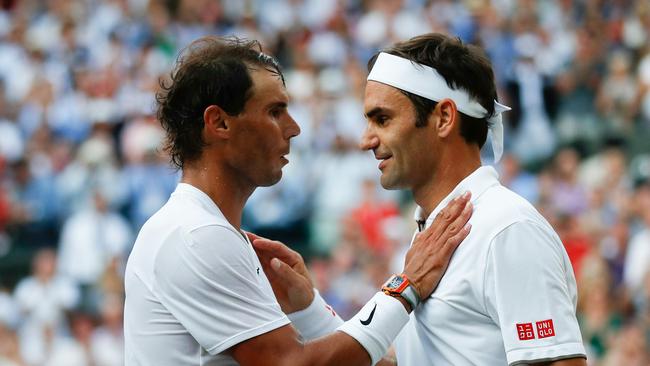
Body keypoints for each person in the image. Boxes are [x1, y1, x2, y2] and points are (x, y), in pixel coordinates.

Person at [123, 36, 473, 366]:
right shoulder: (196, 235)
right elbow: (290, 363)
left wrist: (308, 309)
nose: (294, 128)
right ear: (219, 123)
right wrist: (405, 286)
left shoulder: (205, 231)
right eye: (275, 112)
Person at [255, 33, 588, 365]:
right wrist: (310, 309)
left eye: (382, 119)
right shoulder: (434, 232)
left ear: (443, 118)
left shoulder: (507, 228)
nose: (365, 140)